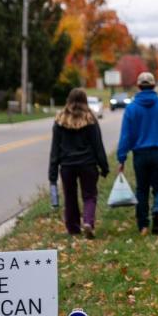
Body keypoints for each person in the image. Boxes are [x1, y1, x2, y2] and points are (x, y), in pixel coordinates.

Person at [116, 71, 158, 235]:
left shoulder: (131, 108)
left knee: (142, 189)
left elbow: (126, 135)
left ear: (139, 86)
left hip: (140, 155)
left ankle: (143, 226)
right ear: (154, 86)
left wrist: (122, 157)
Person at [48, 88, 109, 238]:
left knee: (70, 197)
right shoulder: (90, 119)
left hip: (67, 166)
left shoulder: (60, 120)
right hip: (87, 164)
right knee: (89, 195)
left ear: (68, 100)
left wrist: (53, 173)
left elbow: (55, 149)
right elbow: (97, 145)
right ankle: (88, 222)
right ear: (84, 101)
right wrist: (104, 167)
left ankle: (74, 229)